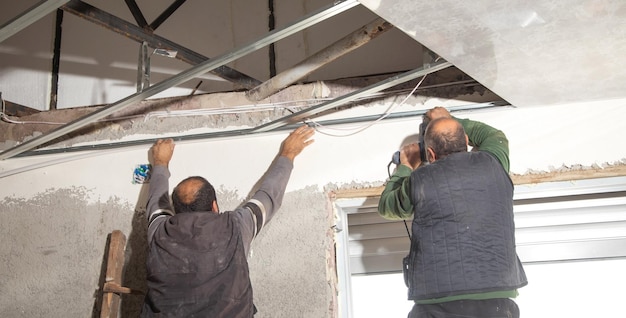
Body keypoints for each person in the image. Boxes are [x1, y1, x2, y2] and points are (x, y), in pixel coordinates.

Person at [140, 125, 315, 317]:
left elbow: (156, 204)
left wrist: (160, 162)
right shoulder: (235, 226)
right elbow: (268, 197)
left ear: (176, 211)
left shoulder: (159, 232)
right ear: (214, 206)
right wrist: (288, 154)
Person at [378, 107, 527, 318]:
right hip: (496, 300)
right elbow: (494, 136)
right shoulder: (494, 162)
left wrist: (406, 166)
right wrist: (449, 119)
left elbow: (387, 206)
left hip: (438, 301)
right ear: (466, 141)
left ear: (430, 154)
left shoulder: (418, 181)